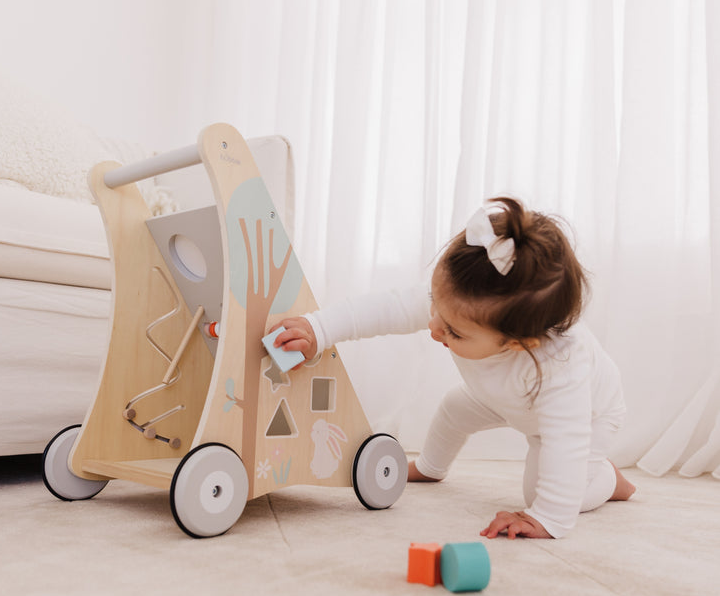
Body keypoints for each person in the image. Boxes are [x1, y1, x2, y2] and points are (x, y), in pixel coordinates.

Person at [272, 197, 635, 539]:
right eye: (435, 308)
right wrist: (318, 329)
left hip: (586, 417)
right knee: (453, 409)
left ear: (515, 343)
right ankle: (431, 468)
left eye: (454, 332)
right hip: (503, 396)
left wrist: (548, 516)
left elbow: (566, 442)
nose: (433, 327)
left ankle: (606, 479)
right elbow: (386, 308)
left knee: (542, 487)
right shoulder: (453, 301)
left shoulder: (560, 368)